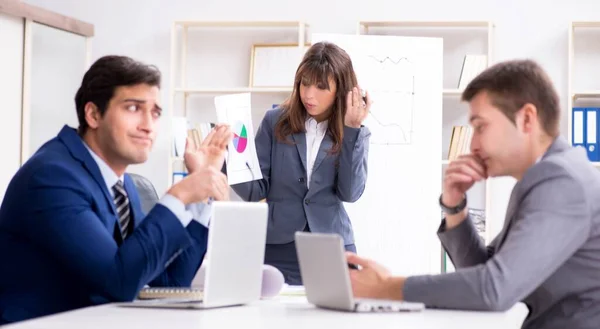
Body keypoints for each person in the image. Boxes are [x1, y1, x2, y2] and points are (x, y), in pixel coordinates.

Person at [346, 59, 600, 329]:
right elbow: (484, 271)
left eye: (481, 127)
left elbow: (493, 289)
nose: (474, 144)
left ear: (527, 119)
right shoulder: (545, 178)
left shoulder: (562, 183)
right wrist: (455, 206)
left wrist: (387, 287)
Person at [0, 55, 233, 324]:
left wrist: (202, 191)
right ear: (93, 114)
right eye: (133, 108)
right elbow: (118, 282)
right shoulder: (52, 177)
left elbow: (166, 283)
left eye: (155, 113)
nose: (148, 125)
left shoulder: (120, 182)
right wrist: (179, 195)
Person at [228, 41, 372, 285]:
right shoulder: (276, 121)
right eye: (305, 82)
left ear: (341, 90)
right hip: (278, 248)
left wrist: (352, 129)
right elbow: (254, 190)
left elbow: (350, 193)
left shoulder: (355, 131)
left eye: (320, 86)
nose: (308, 94)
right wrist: (231, 156)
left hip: (333, 247)